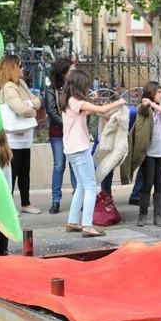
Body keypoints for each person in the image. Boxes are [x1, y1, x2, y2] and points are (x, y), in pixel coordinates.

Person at [60, 68, 128, 237]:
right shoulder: (76, 101)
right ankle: (87, 225)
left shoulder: (69, 101)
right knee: (91, 186)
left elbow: (90, 110)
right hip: (80, 149)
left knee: (82, 186)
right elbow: (102, 111)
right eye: (85, 86)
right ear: (79, 86)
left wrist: (95, 102)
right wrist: (119, 103)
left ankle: (73, 221)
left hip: (71, 150)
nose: (87, 88)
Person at [0, 54, 42, 214]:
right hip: (13, 137)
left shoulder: (21, 84)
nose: (23, 69)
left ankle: (25, 203)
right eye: (19, 66)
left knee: (24, 171)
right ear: (11, 68)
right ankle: (8, 206)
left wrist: (29, 104)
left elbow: (38, 101)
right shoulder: (8, 87)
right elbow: (19, 109)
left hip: (24, 136)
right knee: (12, 173)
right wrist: (31, 109)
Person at [134, 81, 161, 227]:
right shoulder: (145, 106)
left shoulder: (160, 107)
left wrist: (155, 105)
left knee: (159, 183)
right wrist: (148, 103)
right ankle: (142, 214)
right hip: (149, 152)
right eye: (158, 92)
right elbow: (141, 109)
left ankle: (158, 215)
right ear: (151, 93)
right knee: (148, 182)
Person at [43, 57, 77, 214]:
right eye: (71, 70)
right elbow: (51, 111)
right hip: (58, 133)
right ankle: (55, 200)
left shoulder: (75, 87)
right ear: (63, 72)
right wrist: (67, 125)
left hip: (73, 132)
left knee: (74, 165)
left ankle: (79, 197)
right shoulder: (52, 89)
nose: (74, 73)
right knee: (59, 165)